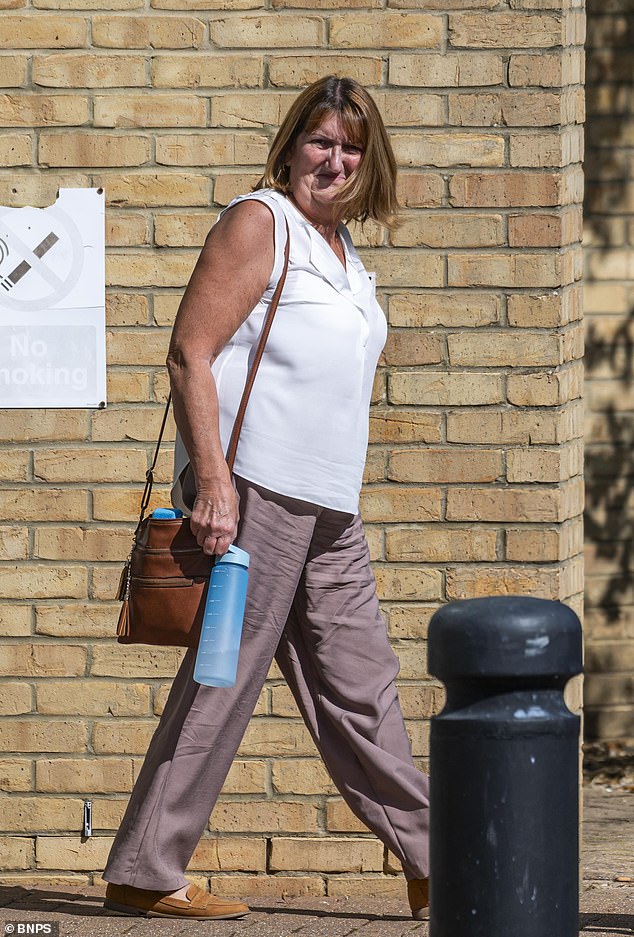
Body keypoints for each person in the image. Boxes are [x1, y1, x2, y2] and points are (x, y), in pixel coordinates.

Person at [102, 75, 430, 922]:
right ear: (291, 148)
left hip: (329, 505)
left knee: (363, 684)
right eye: (320, 142)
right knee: (225, 678)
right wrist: (213, 481)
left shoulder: (344, 253)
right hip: (254, 494)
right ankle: (147, 868)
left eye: (351, 148)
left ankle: (436, 855)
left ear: (370, 163)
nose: (335, 159)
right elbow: (190, 352)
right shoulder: (262, 222)